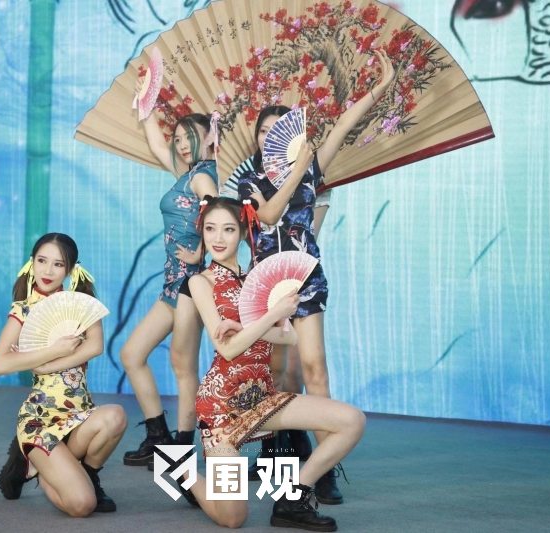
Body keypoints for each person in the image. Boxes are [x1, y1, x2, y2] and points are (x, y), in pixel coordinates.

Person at [237, 50, 395, 504]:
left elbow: (345, 124)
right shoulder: (250, 182)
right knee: (275, 373)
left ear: (292, 136)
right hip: (266, 283)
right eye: (263, 132)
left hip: (305, 277)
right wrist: (293, 173)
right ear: (257, 140)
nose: (270, 137)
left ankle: (323, 468)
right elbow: (269, 215)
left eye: (278, 130)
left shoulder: (312, 164)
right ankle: (279, 452)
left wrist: (379, 88)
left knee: (314, 368)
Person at [184, 196, 365, 531]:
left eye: (228, 229)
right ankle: (185, 475)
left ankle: (293, 498)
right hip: (221, 406)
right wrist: (273, 315)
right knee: (233, 519)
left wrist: (249, 326)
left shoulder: (257, 278)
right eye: (210, 229)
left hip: (263, 398)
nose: (218, 238)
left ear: (243, 232)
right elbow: (226, 349)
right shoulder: (201, 282)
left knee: (352, 421)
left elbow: (289, 338)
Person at [0, 233, 127, 517]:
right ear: (32, 262)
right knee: (82, 506)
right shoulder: (24, 310)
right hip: (40, 421)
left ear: (71, 269)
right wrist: (54, 350)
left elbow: (95, 347)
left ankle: (85, 474)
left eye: (58, 264)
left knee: (116, 416)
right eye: (42, 261)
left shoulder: (82, 305)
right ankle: (41, 467)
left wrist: (46, 365)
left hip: (79, 414)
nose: (48, 271)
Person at [120, 109, 220, 467]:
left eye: (188, 137)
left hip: (190, 285)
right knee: (132, 354)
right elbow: (158, 146)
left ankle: (180, 447)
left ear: (209, 138)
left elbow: (218, 213)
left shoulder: (203, 176)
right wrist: (146, 105)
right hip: (172, 283)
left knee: (182, 365)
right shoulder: (188, 174)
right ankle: (158, 436)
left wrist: (200, 251)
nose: (180, 145)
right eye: (177, 139)